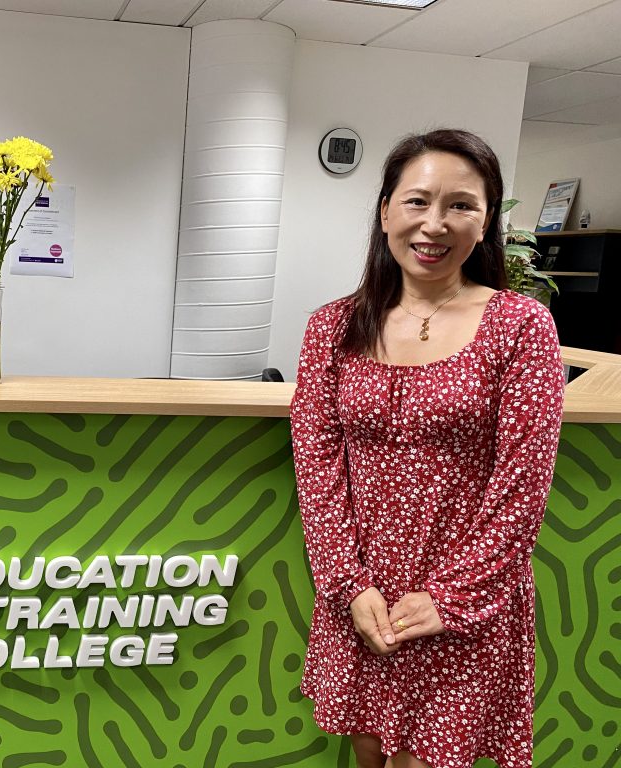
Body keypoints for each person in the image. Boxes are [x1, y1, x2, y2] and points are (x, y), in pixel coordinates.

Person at [289, 128, 565, 768]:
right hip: (363, 592)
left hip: (467, 597)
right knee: (368, 751)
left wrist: (450, 597)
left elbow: (521, 489)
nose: (434, 224)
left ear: (486, 220)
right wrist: (347, 588)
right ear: (385, 210)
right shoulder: (333, 325)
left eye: (460, 205)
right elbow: (318, 471)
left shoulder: (520, 327)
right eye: (417, 201)